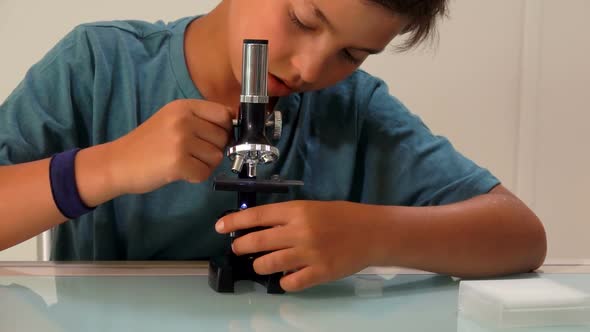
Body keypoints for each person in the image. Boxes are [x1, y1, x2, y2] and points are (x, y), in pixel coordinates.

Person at [0, 0, 546, 292]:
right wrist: (107, 166)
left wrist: (371, 234)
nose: (311, 68)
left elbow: (518, 233)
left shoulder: (354, 108)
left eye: (352, 54)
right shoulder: (97, 67)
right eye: (304, 19)